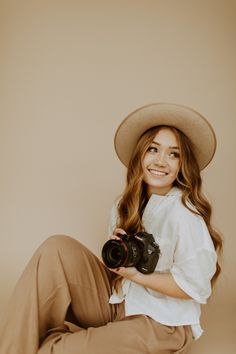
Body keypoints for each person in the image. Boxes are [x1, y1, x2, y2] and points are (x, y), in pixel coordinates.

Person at [0, 103, 223, 354]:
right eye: (153, 149)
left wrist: (137, 275)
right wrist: (119, 260)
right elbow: (119, 271)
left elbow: (195, 286)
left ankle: (41, 342)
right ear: (140, 154)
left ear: (183, 164)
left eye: (174, 154)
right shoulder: (123, 205)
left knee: (51, 350)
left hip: (163, 324)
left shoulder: (185, 214)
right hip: (120, 304)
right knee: (56, 247)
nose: (161, 161)